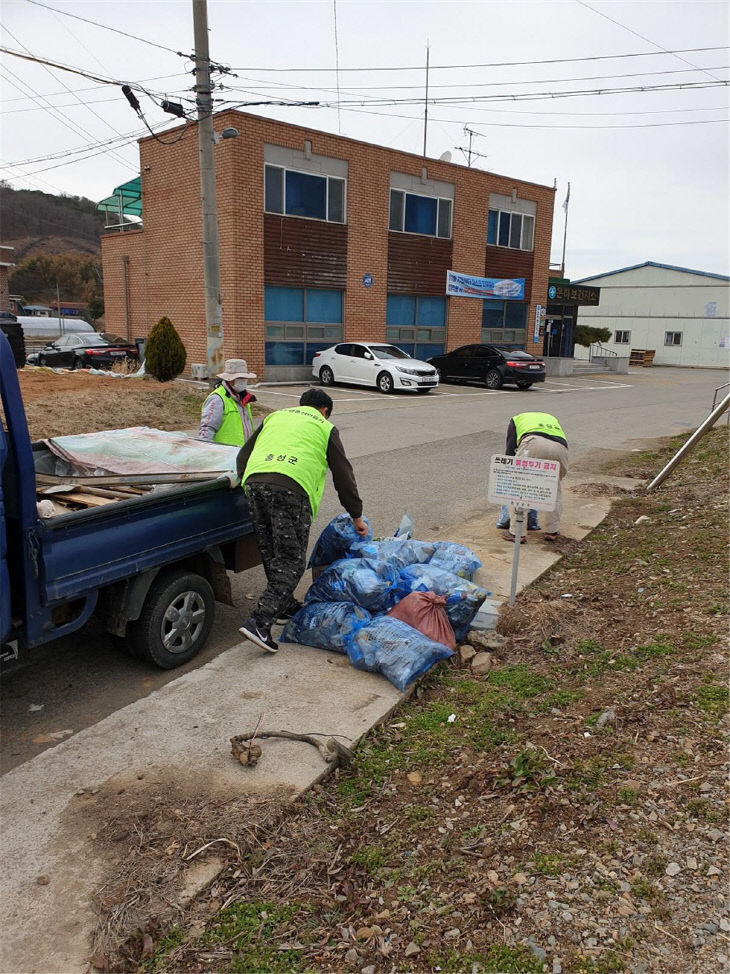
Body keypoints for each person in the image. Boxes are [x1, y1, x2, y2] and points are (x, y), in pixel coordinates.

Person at [236, 388, 368, 653]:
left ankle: (284, 606)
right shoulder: (324, 426)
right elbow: (343, 475)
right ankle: (259, 622)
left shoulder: (276, 417)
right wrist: (356, 515)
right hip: (291, 489)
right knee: (292, 562)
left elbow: (243, 456)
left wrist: (249, 486)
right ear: (324, 410)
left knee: (272, 553)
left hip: (254, 483)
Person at [501, 411, 569, 544]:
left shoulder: (515, 420)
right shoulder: (551, 418)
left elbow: (510, 451)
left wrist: (509, 473)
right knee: (553, 488)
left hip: (533, 443)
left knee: (519, 487)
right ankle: (552, 531)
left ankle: (517, 533)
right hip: (561, 449)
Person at [198, 358, 258, 446]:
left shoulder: (244, 399)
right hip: (224, 455)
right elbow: (206, 430)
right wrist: (205, 451)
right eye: (239, 378)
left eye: (244, 378)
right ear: (229, 379)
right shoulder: (217, 399)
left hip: (242, 453)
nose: (243, 381)